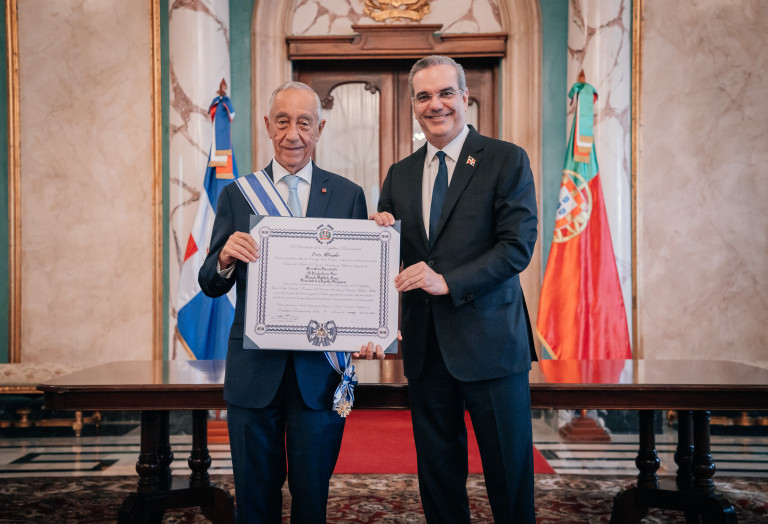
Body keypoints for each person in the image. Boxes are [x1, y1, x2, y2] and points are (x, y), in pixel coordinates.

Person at [199, 81, 384, 523]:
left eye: (304, 123)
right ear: (268, 125)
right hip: (254, 374)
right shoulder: (237, 194)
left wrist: (377, 251)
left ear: (320, 128)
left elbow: (355, 281)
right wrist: (224, 258)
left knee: (311, 499)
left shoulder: (348, 194)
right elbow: (209, 283)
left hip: (319, 375)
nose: (293, 134)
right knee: (254, 501)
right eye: (282, 122)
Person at [371, 55, 539, 522]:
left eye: (446, 93)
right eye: (424, 96)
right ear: (413, 105)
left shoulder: (505, 159)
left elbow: (517, 247)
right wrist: (378, 235)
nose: (436, 104)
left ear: (465, 98)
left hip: (492, 344)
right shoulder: (400, 173)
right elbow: (392, 259)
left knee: (508, 474)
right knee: (439, 477)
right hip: (426, 348)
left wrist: (448, 282)